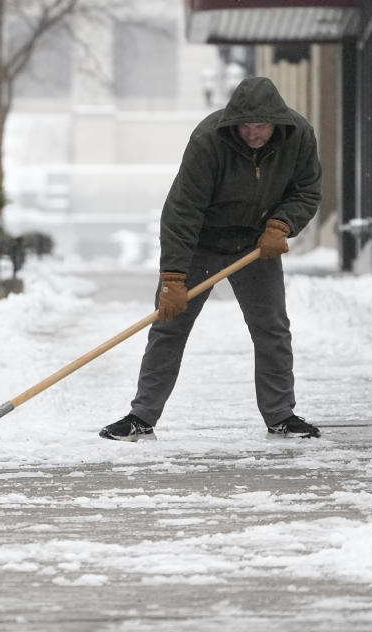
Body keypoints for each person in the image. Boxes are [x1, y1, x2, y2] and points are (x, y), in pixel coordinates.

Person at [99, 76, 322, 442]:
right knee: (169, 327)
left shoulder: (298, 136)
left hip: (255, 245)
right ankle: (142, 415)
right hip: (201, 241)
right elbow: (182, 210)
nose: (253, 134)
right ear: (235, 122)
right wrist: (173, 278)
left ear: (276, 122)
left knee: (272, 329)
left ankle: (281, 414)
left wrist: (281, 225)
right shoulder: (209, 140)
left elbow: (307, 189)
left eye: (261, 126)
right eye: (247, 127)